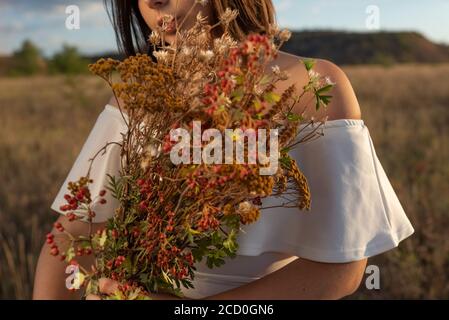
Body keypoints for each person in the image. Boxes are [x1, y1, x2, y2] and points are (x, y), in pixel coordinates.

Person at [33, 0, 414, 300]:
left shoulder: (314, 85)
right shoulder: (136, 97)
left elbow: (341, 269)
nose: (153, 2)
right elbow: (73, 232)